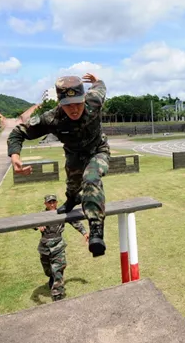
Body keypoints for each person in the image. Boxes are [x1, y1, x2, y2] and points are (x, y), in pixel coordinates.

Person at [7, 73, 111, 257]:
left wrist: (96, 81)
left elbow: (101, 86)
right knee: (72, 186)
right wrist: (15, 155)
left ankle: (96, 231)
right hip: (74, 155)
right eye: (68, 105)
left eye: (78, 103)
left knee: (91, 178)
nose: (74, 109)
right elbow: (18, 132)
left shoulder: (94, 100)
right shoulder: (51, 118)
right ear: (60, 103)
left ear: (84, 98)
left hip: (98, 150)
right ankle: (72, 199)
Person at [35, 194, 89, 302]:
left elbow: (75, 222)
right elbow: (32, 224)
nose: (52, 204)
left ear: (56, 203)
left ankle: (58, 294)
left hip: (58, 245)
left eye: (54, 202)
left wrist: (84, 233)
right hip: (45, 247)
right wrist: (37, 226)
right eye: (49, 202)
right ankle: (52, 277)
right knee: (48, 271)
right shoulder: (41, 215)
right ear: (45, 204)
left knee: (58, 269)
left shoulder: (61, 213)